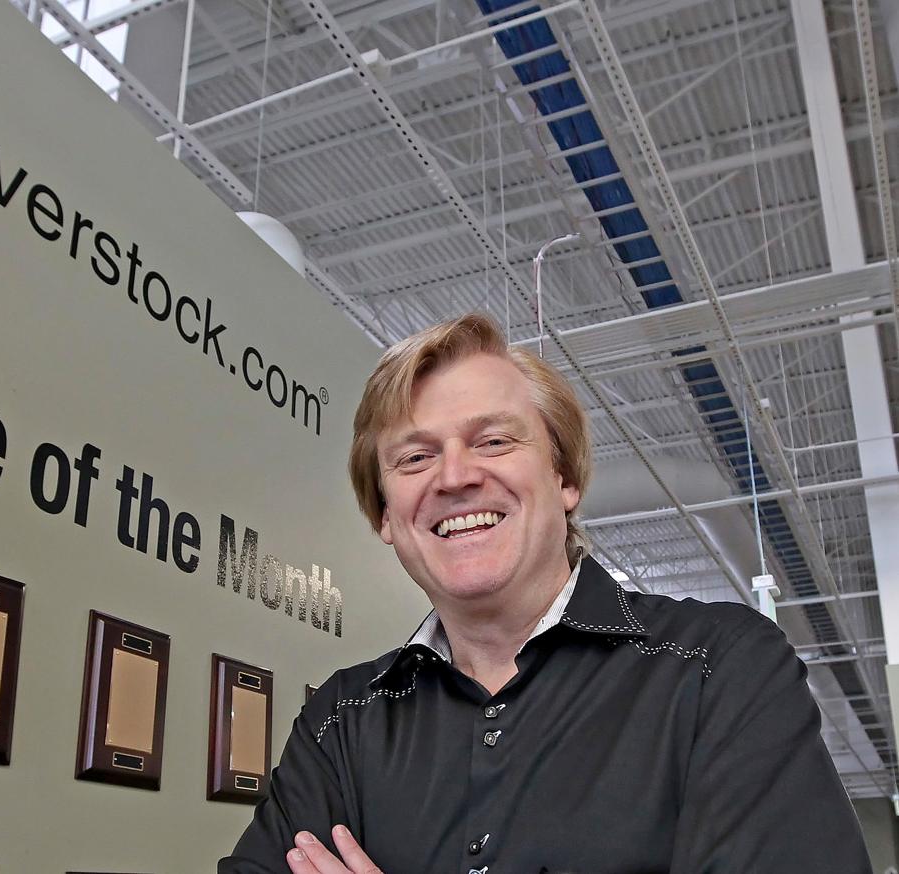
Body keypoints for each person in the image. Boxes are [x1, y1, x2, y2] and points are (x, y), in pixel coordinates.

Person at [219, 313, 871, 873]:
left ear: (564, 477)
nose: (454, 476)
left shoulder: (719, 667)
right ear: (386, 516)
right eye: (414, 458)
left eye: (493, 441)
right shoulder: (342, 718)